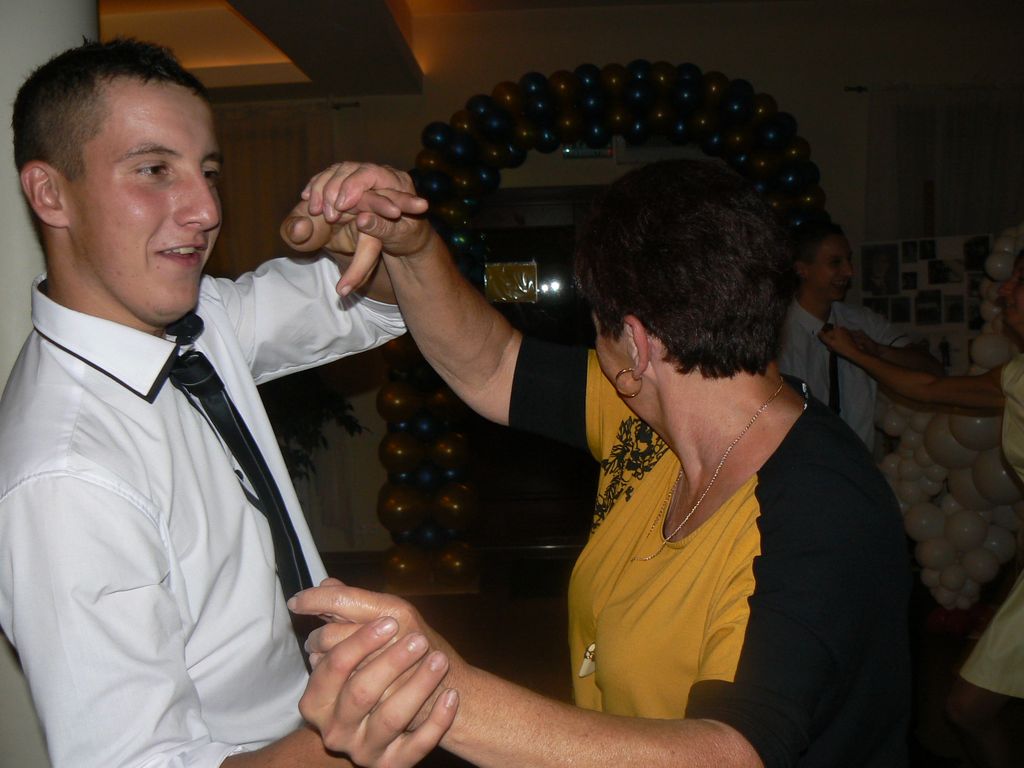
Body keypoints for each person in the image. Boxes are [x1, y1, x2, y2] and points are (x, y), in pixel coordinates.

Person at [282, 158, 914, 766]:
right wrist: (414, 247)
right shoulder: (653, 416)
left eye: (599, 327)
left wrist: (441, 692)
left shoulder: (820, 506)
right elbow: (494, 364)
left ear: (635, 344)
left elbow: (733, 753)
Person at [0, 39, 455, 768]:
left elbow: (373, 306)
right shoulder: (65, 477)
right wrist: (349, 733)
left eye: (207, 172)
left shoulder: (198, 321)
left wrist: (376, 229)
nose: (207, 209)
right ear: (51, 194)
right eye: (154, 170)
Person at [821, 259, 1024, 768]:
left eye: (1021, 282)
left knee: (967, 709)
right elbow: (930, 388)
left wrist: (858, 354)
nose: (1005, 292)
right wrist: (866, 352)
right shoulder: (1017, 374)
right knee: (965, 709)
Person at [777, 221, 942, 449]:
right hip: (802, 461)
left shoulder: (862, 321)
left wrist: (878, 351)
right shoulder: (777, 332)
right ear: (802, 269)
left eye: (849, 260)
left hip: (859, 459)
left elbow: (931, 369)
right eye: (835, 262)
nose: (849, 272)